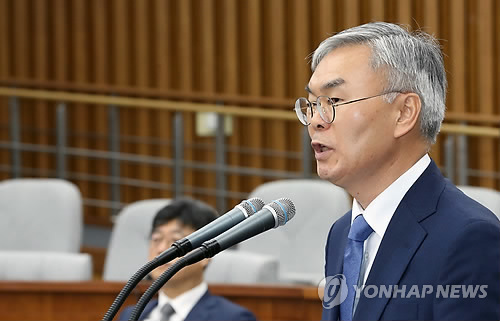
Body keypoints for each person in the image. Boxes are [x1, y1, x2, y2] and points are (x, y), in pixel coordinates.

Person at [294, 22, 500, 320]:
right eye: (312, 104)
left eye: (334, 101)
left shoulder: (468, 237)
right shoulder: (342, 233)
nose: (315, 120)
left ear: (404, 113)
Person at [119, 198, 257, 321]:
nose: (162, 249)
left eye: (175, 241)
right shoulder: (130, 315)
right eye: (156, 239)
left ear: (207, 255)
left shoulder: (233, 318)